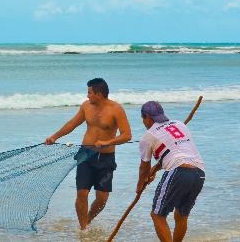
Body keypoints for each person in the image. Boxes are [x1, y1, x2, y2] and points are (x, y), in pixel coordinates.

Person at [45, 78, 132, 230]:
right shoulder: (86, 106)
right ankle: (83, 228)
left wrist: (107, 142)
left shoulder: (116, 109)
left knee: (102, 198)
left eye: (89, 93)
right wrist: (55, 136)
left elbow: (127, 135)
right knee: (82, 192)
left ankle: (89, 219)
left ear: (98, 94)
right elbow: (72, 124)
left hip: (106, 158)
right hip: (85, 154)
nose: (87, 96)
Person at [136, 101, 205, 242]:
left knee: (157, 215)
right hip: (199, 173)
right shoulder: (180, 124)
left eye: (143, 118)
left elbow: (144, 169)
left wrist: (139, 186)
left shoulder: (146, 137)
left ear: (147, 117)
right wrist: (154, 170)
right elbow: (174, 153)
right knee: (181, 215)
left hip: (178, 172)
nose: (143, 122)